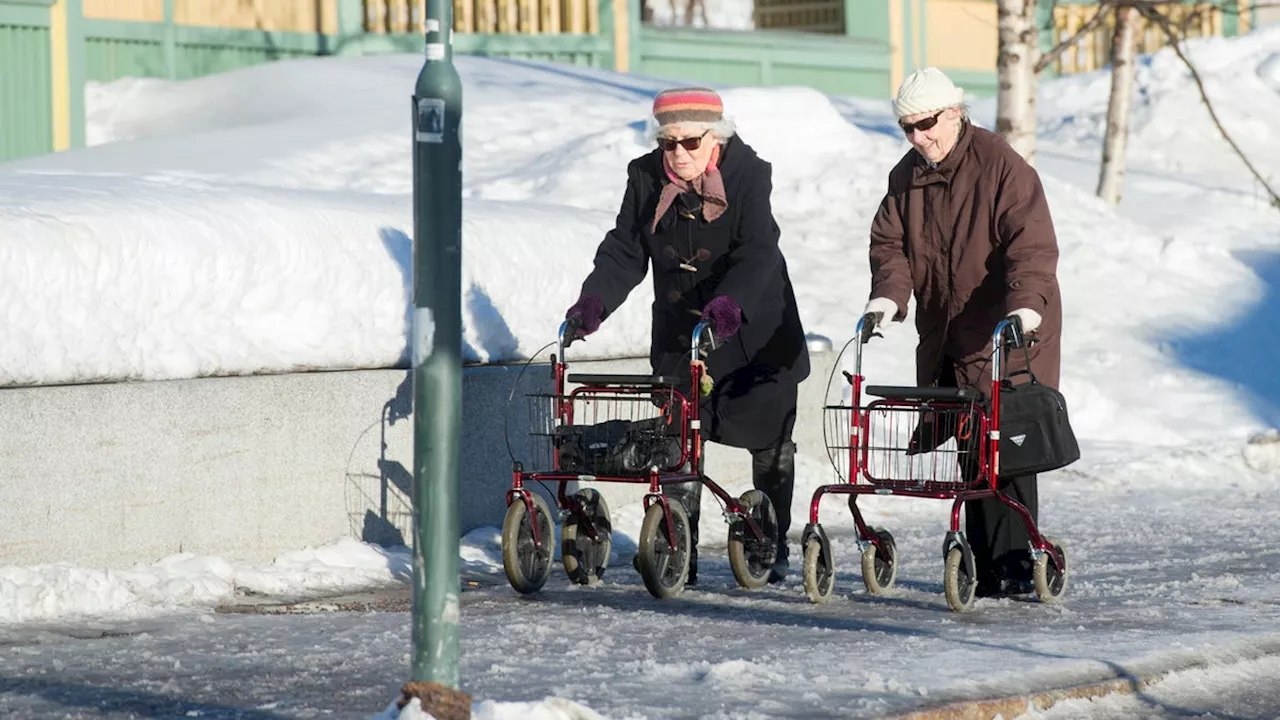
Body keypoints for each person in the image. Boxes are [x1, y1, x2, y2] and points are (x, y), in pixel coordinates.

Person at [562, 87, 811, 585]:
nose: (677, 153)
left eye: (690, 142)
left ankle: (770, 540)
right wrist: (593, 302)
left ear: (715, 138)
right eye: (668, 142)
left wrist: (730, 304)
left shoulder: (748, 175)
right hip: (684, 329)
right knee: (677, 439)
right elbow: (625, 251)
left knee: (768, 435)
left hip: (753, 326)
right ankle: (679, 550)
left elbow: (758, 251)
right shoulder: (645, 175)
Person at [863, 67, 1063, 598]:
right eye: (906, 127)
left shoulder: (1001, 166)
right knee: (971, 448)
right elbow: (890, 245)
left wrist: (1025, 308)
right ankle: (981, 560)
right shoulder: (907, 175)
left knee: (1010, 449)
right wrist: (889, 295)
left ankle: (1018, 562)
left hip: (1007, 332)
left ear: (953, 113)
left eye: (924, 123)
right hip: (948, 333)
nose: (916, 137)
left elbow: (1032, 247)